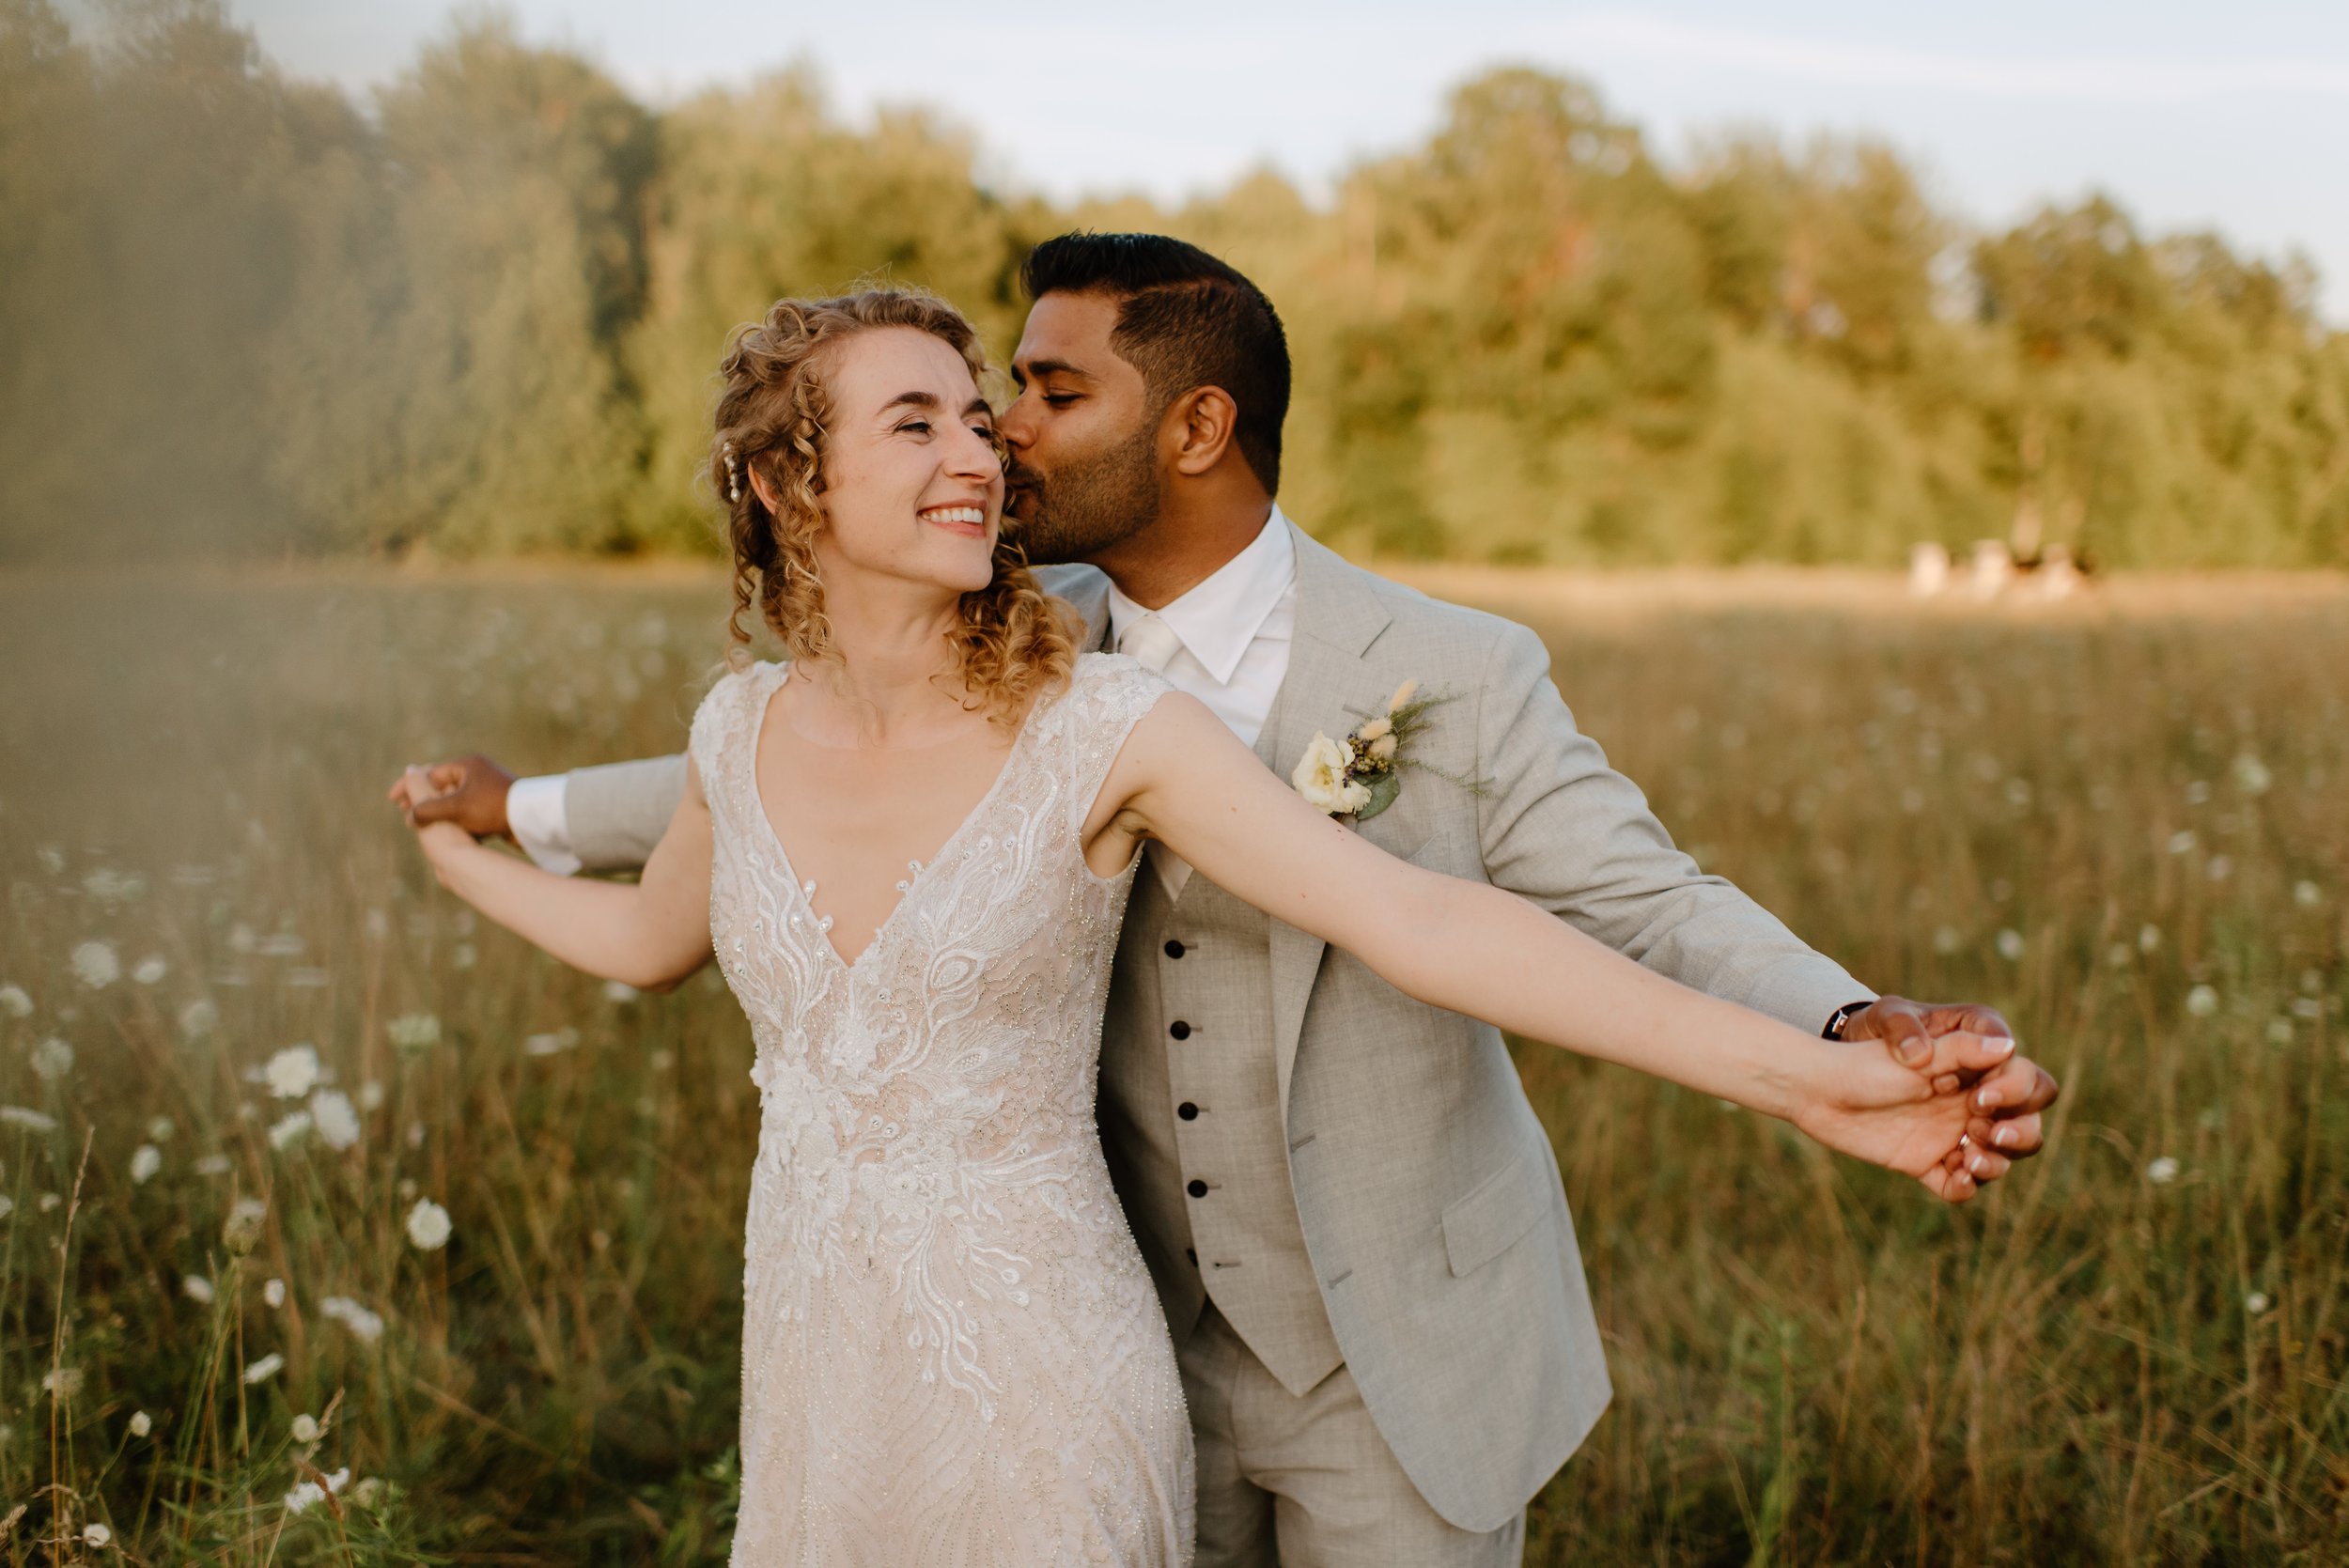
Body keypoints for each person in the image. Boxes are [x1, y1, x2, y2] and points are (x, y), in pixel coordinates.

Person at [401, 241, 2060, 1567]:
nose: (1001, 439)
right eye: (965, 409)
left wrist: (1835, 1053)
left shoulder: (1395, 681)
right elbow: (755, 798)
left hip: (1358, 1357)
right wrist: (505, 822)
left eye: (1028, 398)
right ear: (786, 481)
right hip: (960, 1347)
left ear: (1195, 426)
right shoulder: (918, 655)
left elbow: (1551, 908)